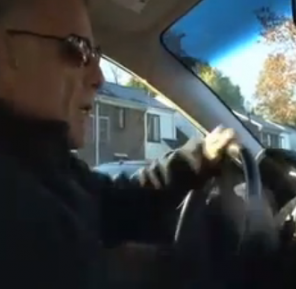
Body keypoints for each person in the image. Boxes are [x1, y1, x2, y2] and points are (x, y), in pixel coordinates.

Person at [0, 0, 239, 288]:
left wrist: (198, 158)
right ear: (5, 54)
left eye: (96, 54)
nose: (98, 78)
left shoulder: (52, 168)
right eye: (78, 50)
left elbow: (118, 202)